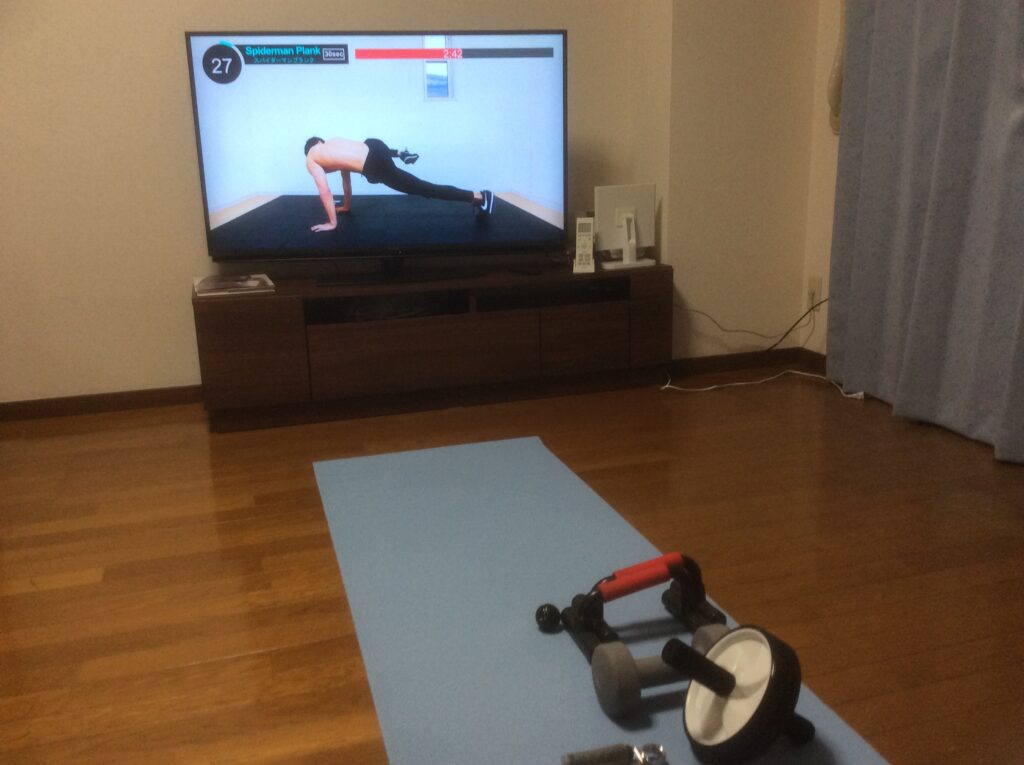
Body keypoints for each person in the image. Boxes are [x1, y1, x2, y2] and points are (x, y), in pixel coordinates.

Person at [304, 136, 494, 232]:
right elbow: (346, 181)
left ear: (310, 148)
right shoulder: (333, 143)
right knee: (369, 148)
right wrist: (346, 206)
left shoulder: (311, 157)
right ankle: (400, 153)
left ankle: (479, 197)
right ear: (320, 141)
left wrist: (332, 223)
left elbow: (325, 191)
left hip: (375, 164)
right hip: (375, 145)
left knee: (424, 188)